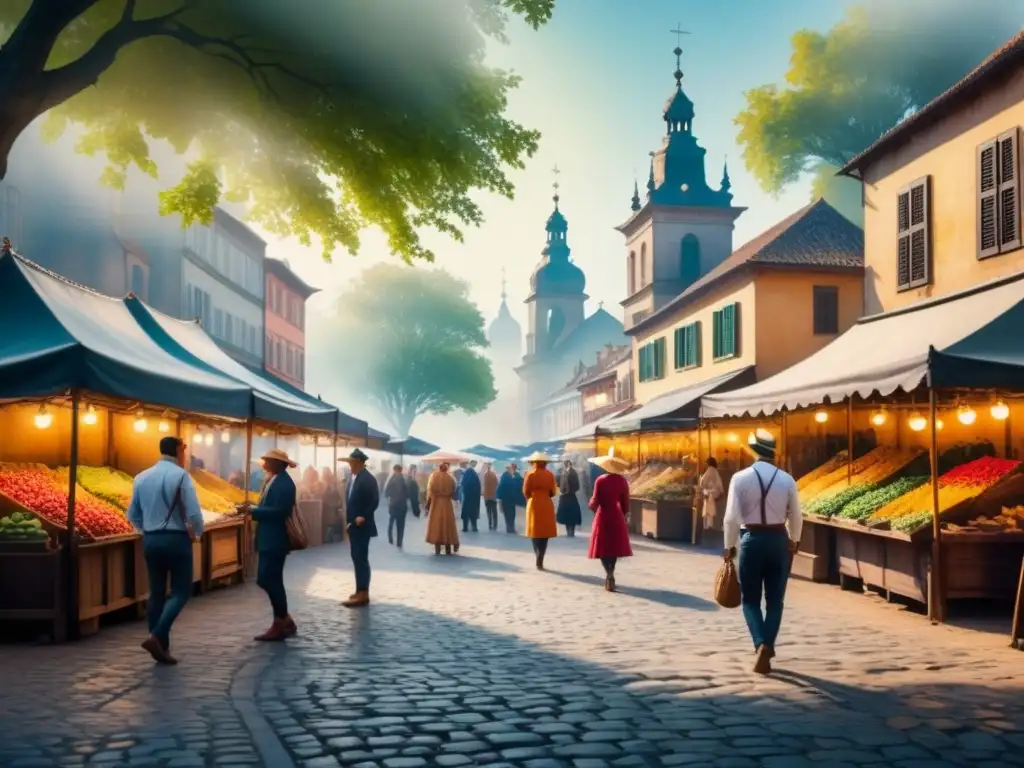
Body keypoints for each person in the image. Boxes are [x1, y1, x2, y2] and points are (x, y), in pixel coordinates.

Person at [723, 429, 802, 676]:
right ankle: (768, 642)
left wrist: (729, 546)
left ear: (753, 449)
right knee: (775, 599)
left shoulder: (740, 477)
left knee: (750, 599)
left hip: (750, 539)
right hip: (779, 540)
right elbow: (796, 515)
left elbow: (730, 518)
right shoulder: (787, 479)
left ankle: (761, 644)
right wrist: (795, 540)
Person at [128, 436, 205, 665]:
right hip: (176, 540)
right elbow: (193, 513)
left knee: (157, 592)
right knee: (181, 591)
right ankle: (157, 635)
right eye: (184, 449)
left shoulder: (141, 477)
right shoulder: (181, 476)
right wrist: (198, 533)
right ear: (178, 451)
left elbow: (132, 514)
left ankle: (160, 646)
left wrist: (147, 529)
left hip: (151, 540)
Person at [246, 448, 299, 641]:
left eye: (268, 460)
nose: (264, 464)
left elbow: (279, 511)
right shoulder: (273, 480)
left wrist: (254, 511)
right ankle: (284, 619)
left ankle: (280, 620)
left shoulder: (284, 484)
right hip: (268, 537)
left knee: (269, 579)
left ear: (277, 463)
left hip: (274, 538)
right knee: (268, 579)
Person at [587, 449, 633, 591]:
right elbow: (625, 502)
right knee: (613, 547)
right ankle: (611, 572)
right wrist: (625, 514)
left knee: (602, 548)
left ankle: (608, 573)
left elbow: (595, 501)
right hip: (616, 516)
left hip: (603, 516)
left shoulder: (600, 480)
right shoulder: (622, 481)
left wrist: (592, 506)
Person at [341, 448, 379, 607]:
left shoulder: (368, 479)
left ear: (359, 463)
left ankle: (363, 593)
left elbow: (374, 501)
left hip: (362, 525)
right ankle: (359, 590)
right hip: (352, 525)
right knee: (356, 557)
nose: (350, 466)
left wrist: (363, 515)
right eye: (349, 463)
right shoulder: (352, 478)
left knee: (361, 558)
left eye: (352, 463)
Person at [523, 452, 557, 570]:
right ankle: (541, 556)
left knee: (534, 531)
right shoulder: (550, 474)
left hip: (534, 503)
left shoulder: (530, 474)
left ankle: (537, 554)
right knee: (544, 533)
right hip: (546, 504)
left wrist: (531, 498)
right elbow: (553, 492)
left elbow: (526, 491)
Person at [426, 461, 460, 555]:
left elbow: (430, 491)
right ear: (447, 469)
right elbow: (454, 492)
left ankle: (437, 548)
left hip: (436, 504)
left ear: (439, 468)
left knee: (437, 525)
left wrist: (428, 504)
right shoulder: (450, 478)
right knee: (448, 525)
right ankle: (448, 548)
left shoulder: (433, 477)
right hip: (447, 504)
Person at [384, 464, 410, 548]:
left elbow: (386, 492)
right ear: (401, 470)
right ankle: (399, 542)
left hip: (393, 504)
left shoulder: (391, 479)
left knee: (391, 522)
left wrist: (390, 499)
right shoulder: (403, 479)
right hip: (401, 505)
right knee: (400, 524)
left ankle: (390, 539)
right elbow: (406, 493)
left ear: (394, 470)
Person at [556, 459, 583, 537]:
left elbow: (576, 486)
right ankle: (569, 532)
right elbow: (558, 482)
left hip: (570, 496)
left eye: (568, 464)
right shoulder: (562, 472)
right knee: (568, 516)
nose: (567, 466)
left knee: (571, 515)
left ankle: (571, 532)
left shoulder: (572, 473)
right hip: (566, 496)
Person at [699, 457, 725, 534]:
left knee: (707, 511)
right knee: (713, 511)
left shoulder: (708, 471)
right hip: (715, 495)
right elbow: (719, 484)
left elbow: (702, 482)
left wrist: (704, 490)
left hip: (707, 494)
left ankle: (707, 527)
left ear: (708, 463)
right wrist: (721, 492)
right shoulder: (715, 472)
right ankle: (712, 526)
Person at [496, 463, 523, 534]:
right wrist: (499, 497)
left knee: (512, 513)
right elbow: (501, 486)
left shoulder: (517, 475)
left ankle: (511, 527)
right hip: (506, 498)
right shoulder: (505, 476)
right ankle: (509, 528)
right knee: (507, 513)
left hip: (513, 499)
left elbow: (520, 484)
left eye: (514, 468)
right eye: (511, 468)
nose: (512, 469)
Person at [460, 460, 482, 533]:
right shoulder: (470, 472)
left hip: (470, 496)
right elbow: (466, 483)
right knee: (471, 512)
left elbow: (463, 483)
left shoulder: (470, 472)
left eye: (475, 464)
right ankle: (471, 527)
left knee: (468, 511)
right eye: (474, 463)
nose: (474, 465)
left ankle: (468, 527)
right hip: (471, 496)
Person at [482, 462, 499, 531]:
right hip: (493, 496)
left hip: (487, 496)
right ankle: (495, 525)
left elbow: (482, 485)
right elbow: (497, 484)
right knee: (494, 511)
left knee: (488, 511)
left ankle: (490, 524)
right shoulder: (494, 474)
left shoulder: (484, 475)